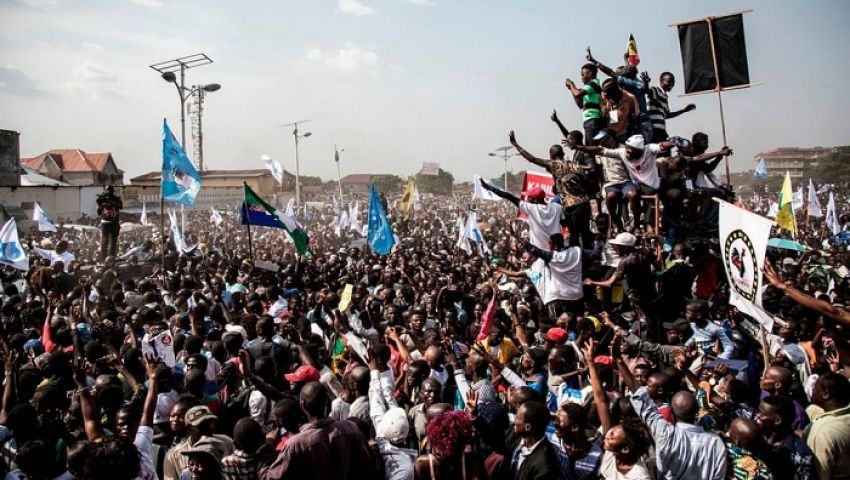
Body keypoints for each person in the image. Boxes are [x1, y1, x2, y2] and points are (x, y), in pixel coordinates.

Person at [260, 381, 379, 480]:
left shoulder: (297, 444)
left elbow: (272, 477)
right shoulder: (350, 428)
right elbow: (369, 465)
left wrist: (266, 452)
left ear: (302, 404)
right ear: (327, 401)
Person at [805, 373, 850, 480]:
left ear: (825, 394)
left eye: (815, 388)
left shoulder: (822, 431)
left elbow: (822, 474)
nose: (812, 391)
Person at [646, 72, 696, 143]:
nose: (671, 85)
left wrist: (684, 110)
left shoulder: (665, 97)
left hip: (661, 129)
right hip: (652, 128)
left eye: (673, 83)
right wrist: (646, 83)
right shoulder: (655, 90)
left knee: (668, 148)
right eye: (668, 82)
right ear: (661, 81)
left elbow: (667, 115)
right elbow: (647, 92)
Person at [565, 62, 604, 145]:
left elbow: (577, 94)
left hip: (593, 119)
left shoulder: (593, 85)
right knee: (589, 146)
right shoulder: (589, 88)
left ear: (590, 74)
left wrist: (572, 84)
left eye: (583, 74)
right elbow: (580, 105)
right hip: (588, 120)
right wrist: (571, 89)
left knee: (591, 147)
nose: (581, 77)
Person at [97, 185, 123, 260]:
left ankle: (111, 256)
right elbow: (98, 212)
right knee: (105, 240)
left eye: (110, 190)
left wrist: (113, 203)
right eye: (108, 190)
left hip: (114, 221)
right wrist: (103, 205)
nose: (109, 192)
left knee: (113, 240)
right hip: (105, 222)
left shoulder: (116, 199)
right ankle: (104, 257)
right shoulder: (102, 199)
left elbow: (120, 206)